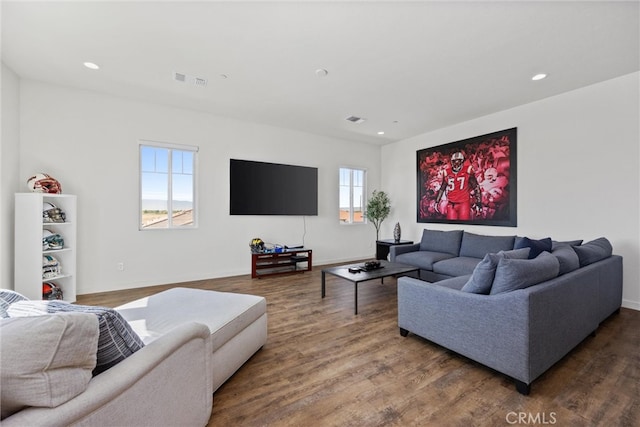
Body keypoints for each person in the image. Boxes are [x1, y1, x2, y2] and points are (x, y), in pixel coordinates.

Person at [435, 151, 482, 220]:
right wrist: (437, 201)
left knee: (464, 224)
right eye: (454, 161)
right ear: (451, 162)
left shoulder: (467, 170)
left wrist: (479, 203)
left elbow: (476, 187)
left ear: (462, 161)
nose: (456, 163)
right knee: (451, 227)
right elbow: (442, 188)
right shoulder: (447, 172)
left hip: (463, 203)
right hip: (451, 203)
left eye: (458, 161)